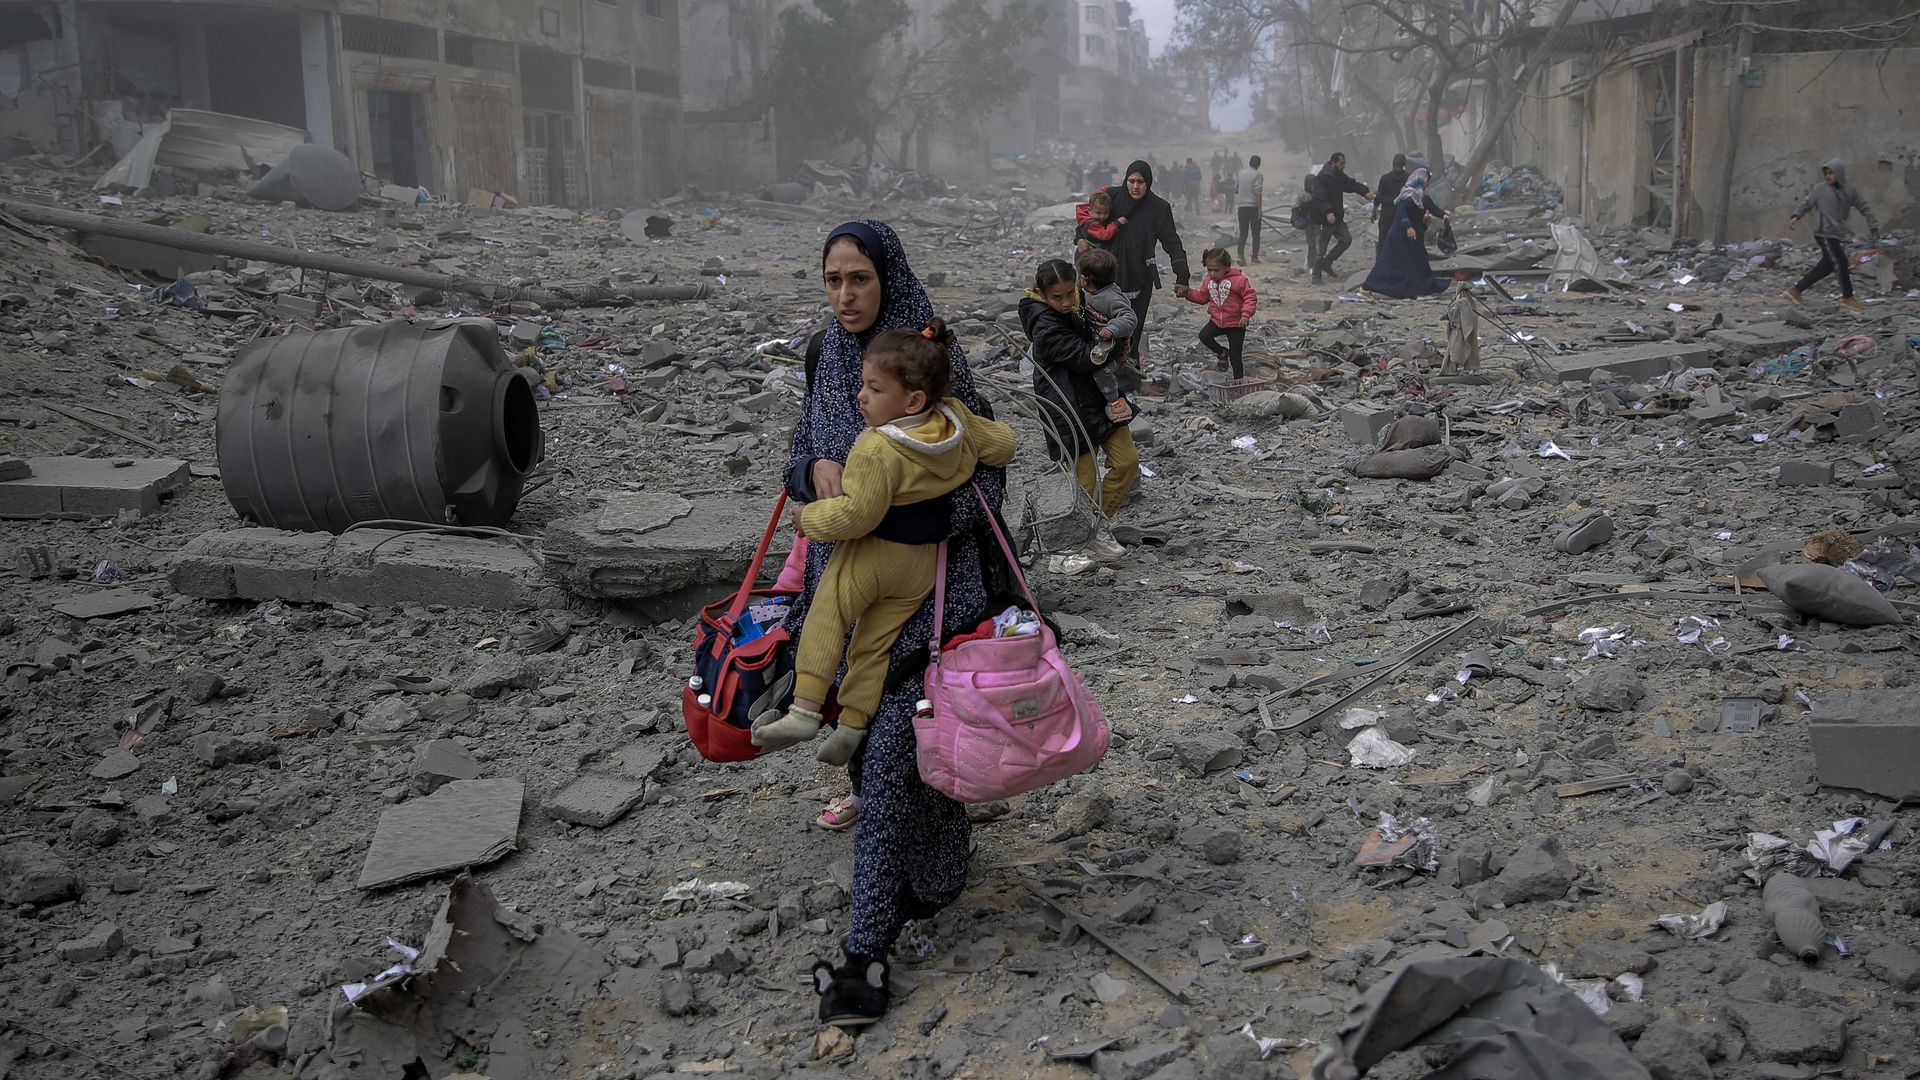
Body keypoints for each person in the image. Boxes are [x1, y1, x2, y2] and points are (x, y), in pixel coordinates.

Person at [777, 220, 1009, 1028]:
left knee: (882, 766)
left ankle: (862, 958)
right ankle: (938, 871)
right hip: (842, 597)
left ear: (890, 279)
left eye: (859, 280)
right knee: (892, 765)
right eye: (833, 278)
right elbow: (796, 453)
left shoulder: (927, 360)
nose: (845, 296)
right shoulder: (824, 356)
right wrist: (815, 470)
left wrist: (902, 517)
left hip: (931, 602)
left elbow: (987, 480)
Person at [754, 321, 1016, 764]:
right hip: (920, 567)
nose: (861, 396)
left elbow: (858, 515)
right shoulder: (953, 418)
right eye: (863, 385)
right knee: (875, 642)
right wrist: (975, 444)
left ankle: (805, 708)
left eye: (874, 388)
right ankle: (854, 724)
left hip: (871, 556)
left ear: (911, 399)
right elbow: (1004, 444)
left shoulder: (877, 448)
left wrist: (807, 517)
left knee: (828, 613)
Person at [1022, 259, 1135, 573]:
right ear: (1040, 294)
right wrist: (1115, 347)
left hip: (1099, 399)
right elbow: (1085, 356)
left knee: (1126, 462)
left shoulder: (1083, 305)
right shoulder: (1043, 324)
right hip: (1067, 406)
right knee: (1082, 481)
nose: (1065, 301)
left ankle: (1094, 527)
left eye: (1070, 293)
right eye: (1057, 297)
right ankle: (1065, 550)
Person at [1107, 160, 1192, 374]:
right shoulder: (1111, 198)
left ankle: (1127, 372)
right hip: (1106, 276)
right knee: (1104, 325)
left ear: (1149, 183)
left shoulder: (1159, 208)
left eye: (1141, 182)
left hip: (1140, 277)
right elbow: (1089, 222)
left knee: (1133, 326)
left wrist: (1182, 275)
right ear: (1125, 181)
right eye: (1131, 181)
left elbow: (1172, 242)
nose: (1135, 186)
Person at [1787, 158, 1881, 310]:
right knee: (1841, 262)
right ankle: (1848, 297)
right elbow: (1806, 204)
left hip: (1836, 234)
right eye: (1826, 173)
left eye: (1831, 173)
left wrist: (1873, 226)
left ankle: (1795, 291)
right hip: (1823, 233)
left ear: (1839, 173)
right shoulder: (1819, 189)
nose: (1828, 176)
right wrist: (1795, 216)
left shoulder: (1850, 191)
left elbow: (1865, 207)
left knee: (1827, 265)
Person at [1362, 166, 1450, 299]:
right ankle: (1367, 287)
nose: (1428, 184)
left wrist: (1443, 215)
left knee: (1419, 262)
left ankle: (1421, 289)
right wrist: (1408, 227)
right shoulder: (1408, 194)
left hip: (1414, 237)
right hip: (1400, 236)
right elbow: (1401, 212)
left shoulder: (1422, 198)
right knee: (1387, 263)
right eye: (1426, 180)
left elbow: (1432, 208)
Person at [1077, 248, 1137, 423]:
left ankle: (1114, 402)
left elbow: (1130, 317)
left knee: (1102, 373)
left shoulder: (1111, 297)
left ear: (1085, 279)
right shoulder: (1090, 293)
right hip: (1098, 343)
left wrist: (1112, 329)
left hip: (1111, 345)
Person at [1181, 248, 1257, 378]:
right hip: (1217, 321)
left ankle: (1238, 382)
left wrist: (1245, 314)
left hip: (1236, 324)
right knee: (1204, 336)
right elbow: (1202, 297)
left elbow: (1250, 297)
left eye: (1216, 270)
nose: (1212, 273)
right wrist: (1188, 293)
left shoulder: (1239, 280)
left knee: (1235, 358)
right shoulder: (1208, 281)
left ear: (1226, 267)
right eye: (1209, 270)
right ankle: (1222, 352)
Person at [1312, 151, 1374, 285]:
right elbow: (1320, 196)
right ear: (1333, 163)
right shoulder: (1322, 178)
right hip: (1325, 219)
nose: (1343, 166)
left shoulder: (1338, 175)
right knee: (1321, 248)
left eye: (1344, 163)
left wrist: (1365, 192)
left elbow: (1349, 184)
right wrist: (1328, 212)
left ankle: (1327, 263)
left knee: (1346, 240)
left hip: (1337, 217)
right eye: (1341, 163)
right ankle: (1316, 275)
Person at [1293, 169, 1331, 275]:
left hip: (1318, 222)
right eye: (1312, 184)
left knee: (1318, 244)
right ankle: (1311, 264)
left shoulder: (1319, 194)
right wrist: (1296, 221)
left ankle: (1316, 265)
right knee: (1311, 244)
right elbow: (1295, 209)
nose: (1314, 186)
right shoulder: (1301, 196)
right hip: (1308, 223)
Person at [1373, 154, 1410, 248]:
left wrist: (1374, 210)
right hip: (1403, 215)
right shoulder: (1409, 179)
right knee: (1403, 242)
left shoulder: (1385, 178)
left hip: (1387, 215)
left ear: (1393, 163)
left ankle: (1382, 261)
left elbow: (1379, 196)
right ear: (1404, 164)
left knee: (1383, 242)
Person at [1235, 154, 1265, 264]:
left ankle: (1240, 255)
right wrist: (1259, 209)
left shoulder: (1241, 173)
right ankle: (1254, 257)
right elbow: (1258, 192)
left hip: (1241, 207)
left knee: (1243, 232)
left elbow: (1236, 189)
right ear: (1259, 164)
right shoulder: (1258, 175)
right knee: (1256, 233)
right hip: (1252, 207)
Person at [1076, 188, 1118, 253]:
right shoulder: (1092, 223)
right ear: (1089, 211)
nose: (1102, 216)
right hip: (1090, 254)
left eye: (1106, 213)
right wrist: (1116, 224)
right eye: (1098, 213)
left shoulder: (1089, 218)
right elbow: (1104, 235)